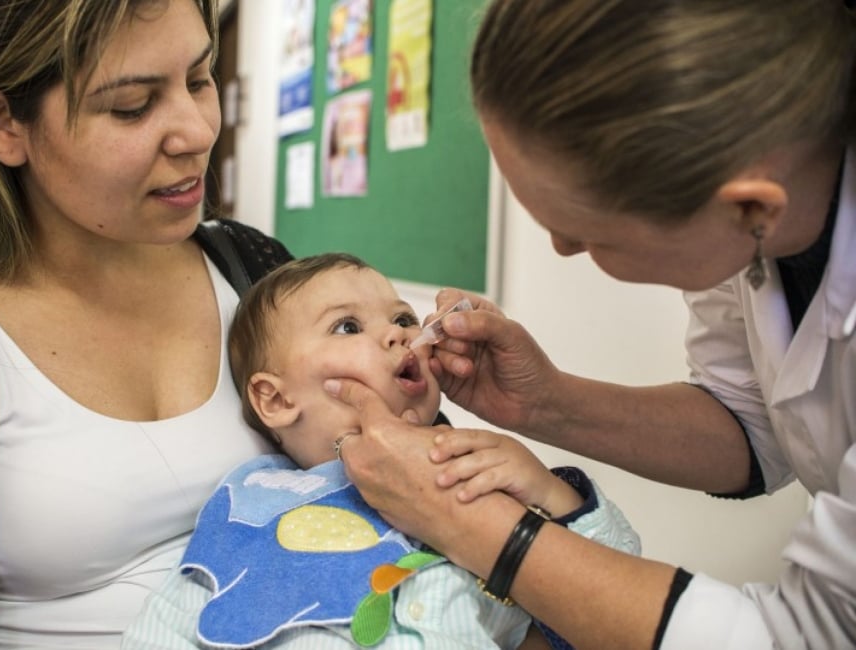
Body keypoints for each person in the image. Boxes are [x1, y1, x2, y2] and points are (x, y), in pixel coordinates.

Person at [324, 1, 856, 648]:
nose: (560, 250)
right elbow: (756, 426)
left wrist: (464, 521)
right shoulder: (740, 224)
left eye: (583, 236)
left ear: (749, 207)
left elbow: (804, 637)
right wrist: (546, 402)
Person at [0, 1, 294, 648]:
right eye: (132, 105)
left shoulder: (259, 272)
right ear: (2, 125)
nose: (194, 131)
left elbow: (397, 485)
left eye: (199, 78)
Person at [121, 253, 641, 649]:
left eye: (403, 319)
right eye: (347, 326)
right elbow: (171, 621)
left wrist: (552, 493)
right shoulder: (253, 500)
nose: (397, 335)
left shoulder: (473, 469)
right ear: (275, 399)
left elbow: (612, 597)